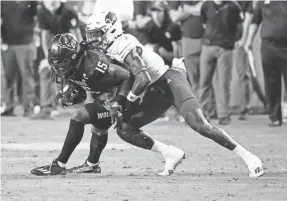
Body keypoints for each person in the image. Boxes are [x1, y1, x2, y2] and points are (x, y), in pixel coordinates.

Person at [84, 10, 264, 177]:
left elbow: (143, 78)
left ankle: (249, 157)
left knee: (200, 126)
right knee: (124, 128)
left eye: (97, 34)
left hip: (168, 80)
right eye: (91, 34)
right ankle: (170, 154)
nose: (93, 39)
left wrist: (126, 101)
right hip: (156, 89)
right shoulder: (108, 48)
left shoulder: (123, 45)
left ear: (111, 30)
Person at [30, 33, 184, 176]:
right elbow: (82, 88)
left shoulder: (94, 64)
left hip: (122, 96)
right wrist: (73, 94)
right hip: (106, 94)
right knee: (99, 126)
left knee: (79, 116)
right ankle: (92, 164)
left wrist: (119, 103)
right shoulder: (74, 65)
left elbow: (127, 76)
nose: (59, 68)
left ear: (73, 57)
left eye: (62, 63)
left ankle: (59, 164)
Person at [30, 0, 82, 120]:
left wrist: (78, 54)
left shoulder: (69, 12)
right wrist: (47, 58)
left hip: (69, 47)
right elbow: (45, 35)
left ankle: (79, 106)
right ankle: (47, 107)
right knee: (44, 69)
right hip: (53, 48)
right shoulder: (42, 12)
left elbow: (76, 33)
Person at [199, 0, 244, 125]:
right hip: (207, 47)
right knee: (204, 82)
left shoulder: (233, 6)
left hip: (225, 49)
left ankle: (223, 115)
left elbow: (239, 26)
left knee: (224, 83)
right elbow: (202, 23)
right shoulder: (206, 5)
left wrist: (233, 41)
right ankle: (202, 114)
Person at [245, 1, 287, 127]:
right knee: (271, 82)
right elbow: (255, 21)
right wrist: (249, 40)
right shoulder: (262, 1)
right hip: (268, 45)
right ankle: (275, 117)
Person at [1, 1, 38, 116]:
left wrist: (34, 39)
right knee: (7, 77)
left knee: (27, 76)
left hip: (25, 43)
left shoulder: (31, 1)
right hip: (7, 44)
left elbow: (37, 19)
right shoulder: (3, 2)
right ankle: (8, 107)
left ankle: (28, 108)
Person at [233, 1, 254, 120]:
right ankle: (214, 109)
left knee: (243, 74)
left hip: (239, 41)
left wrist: (243, 39)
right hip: (223, 39)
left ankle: (245, 108)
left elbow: (248, 19)